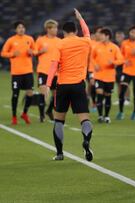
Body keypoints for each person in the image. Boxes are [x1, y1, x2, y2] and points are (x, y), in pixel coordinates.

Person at [45, 9, 93, 162]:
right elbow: (87, 32)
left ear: (63, 32)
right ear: (76, 30)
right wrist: (80, 18)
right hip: (78, 84)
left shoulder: (60, 44)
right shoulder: (85, 41)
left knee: (59, 120)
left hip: (63, 86)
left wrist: (47, 84)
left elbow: (53, 65)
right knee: (84, 119)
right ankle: (86, 142)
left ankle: (59, 153)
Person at [1, 20, 35, 125]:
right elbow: (3, 53)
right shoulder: (11, 40)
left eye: (23, 27)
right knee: (15, 94)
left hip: (28, 71)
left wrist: (31, 53)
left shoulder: (30, 39)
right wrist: (12, 54)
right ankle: (14, 116)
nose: (21, 29)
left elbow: (34, 51)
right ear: (16, 29)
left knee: (30, 93)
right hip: (16, 72)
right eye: (19, 27)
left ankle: (24, 113)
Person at [92, 27, 124, 123]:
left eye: (102, 35)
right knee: (99, 94)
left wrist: (113, 62)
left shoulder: (114, 47)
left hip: (110, 76)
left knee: (108, 96)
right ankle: (100, 116)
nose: (100, 36)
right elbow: (91, 58)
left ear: (107, 36)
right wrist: (95, 65)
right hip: (98, 76)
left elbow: (121, 60)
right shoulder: (96, 46)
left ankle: (106, 116)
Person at [35, 19, 61, 121]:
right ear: (48, 29)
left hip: (56, 72)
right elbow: (34, 52)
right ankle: (42, 115)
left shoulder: (59, 41)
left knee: (56, 95)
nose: (56, 30)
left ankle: (49, 110)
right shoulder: (40, 40)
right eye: (54, 28)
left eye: (56, 28)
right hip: (43, 70)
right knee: (43, 92)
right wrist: (41, 51)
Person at [88, 26, 103, 112]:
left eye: (102, 32)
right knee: (92, 85)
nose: (100, 34)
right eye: (99, 32)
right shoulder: (91, 43)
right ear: (95, 34)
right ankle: (94, 103)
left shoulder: (106, 44)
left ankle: (99, 102)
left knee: (102, 89)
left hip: (103, 70)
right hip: (92, 68)